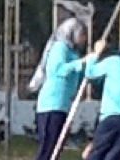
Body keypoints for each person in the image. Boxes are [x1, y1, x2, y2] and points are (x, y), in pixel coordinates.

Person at [31, 17, 89, 160]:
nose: (84, 39)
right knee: (48, 146)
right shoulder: (60, 48)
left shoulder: (73, 53)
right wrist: (81, 63)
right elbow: (58, 70)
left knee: (57, 146)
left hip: (63, 105)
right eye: (82, 35)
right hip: (51, 104)